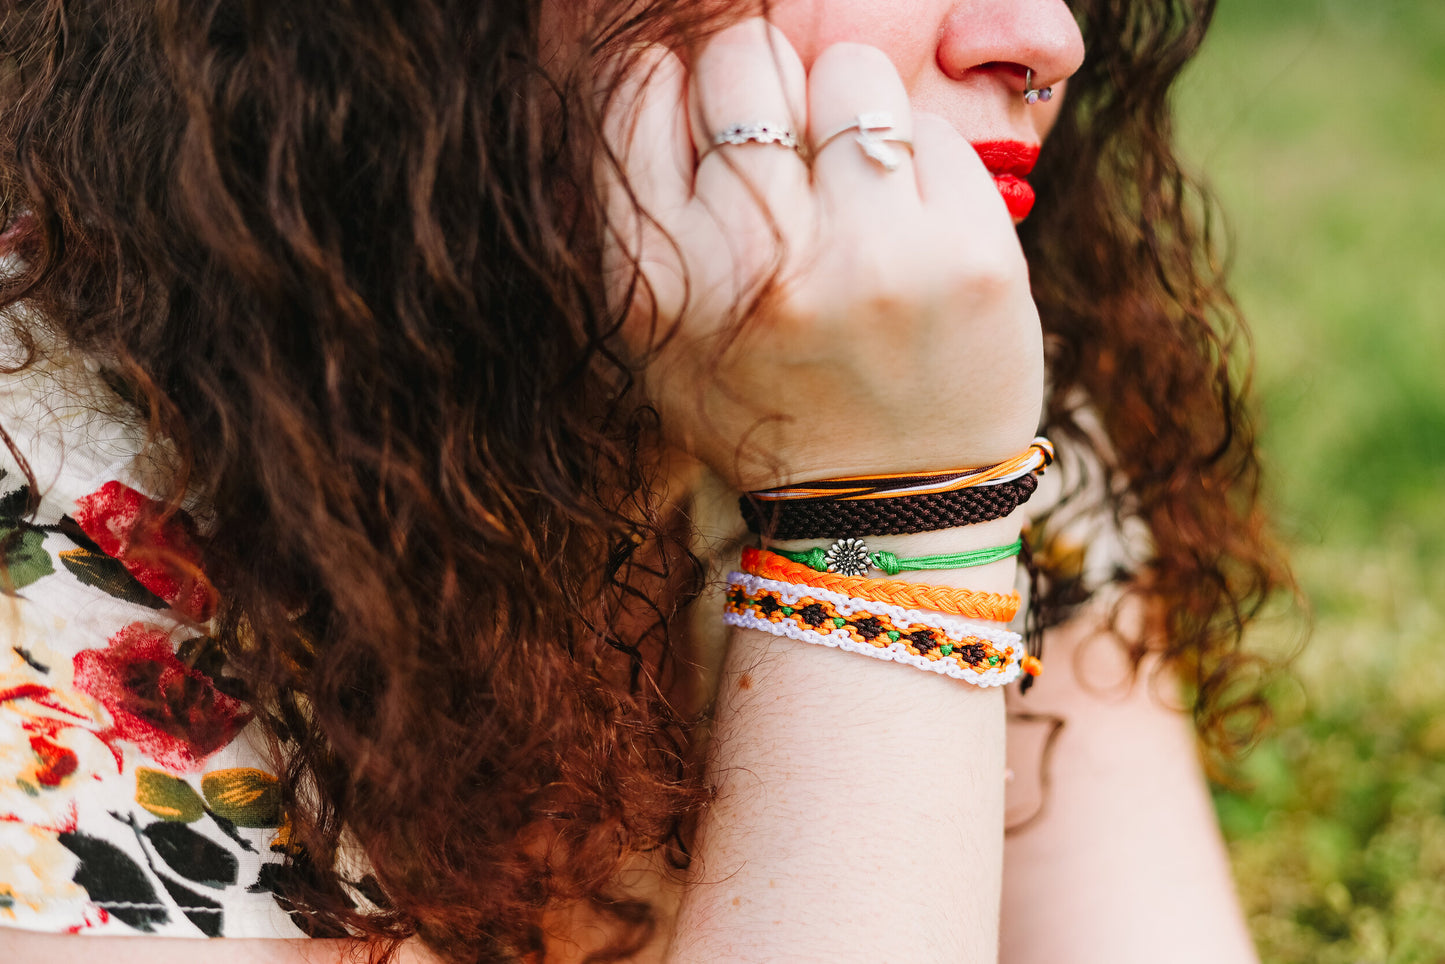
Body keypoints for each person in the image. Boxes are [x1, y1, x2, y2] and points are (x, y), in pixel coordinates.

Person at [0, 0, 1291, 961]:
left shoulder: (930, 375)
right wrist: (883, 525)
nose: (1045, 37)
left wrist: (901, 502)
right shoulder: (47, 518)